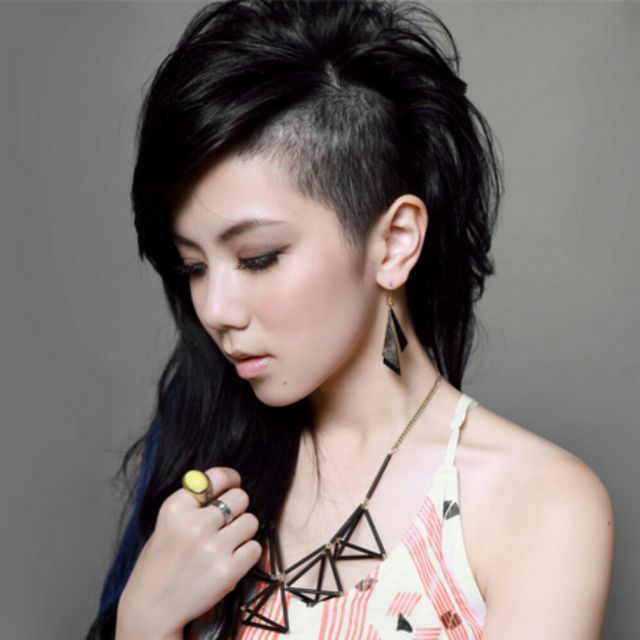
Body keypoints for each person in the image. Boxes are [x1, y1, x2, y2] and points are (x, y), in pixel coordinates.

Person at [86, 1, 614, 638]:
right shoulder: (207, 460)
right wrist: (143, 621)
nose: (216, 310)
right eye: (193, 266)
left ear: (393, 243)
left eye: (257, 258)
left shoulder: (536, 504)